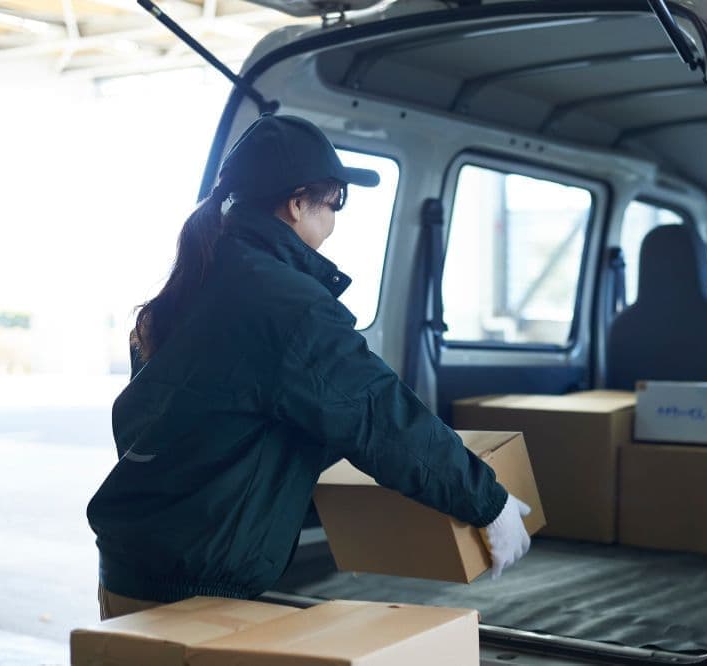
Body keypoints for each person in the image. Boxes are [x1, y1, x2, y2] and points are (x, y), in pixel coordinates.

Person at [87, 114, 532, 620]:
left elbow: (208, 424)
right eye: (334, 202)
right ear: (298, 203)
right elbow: (379, 415)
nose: (335, 220)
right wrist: (487, 502)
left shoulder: (204, 278)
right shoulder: (285, 304)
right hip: (190, 590)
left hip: (134, 565)